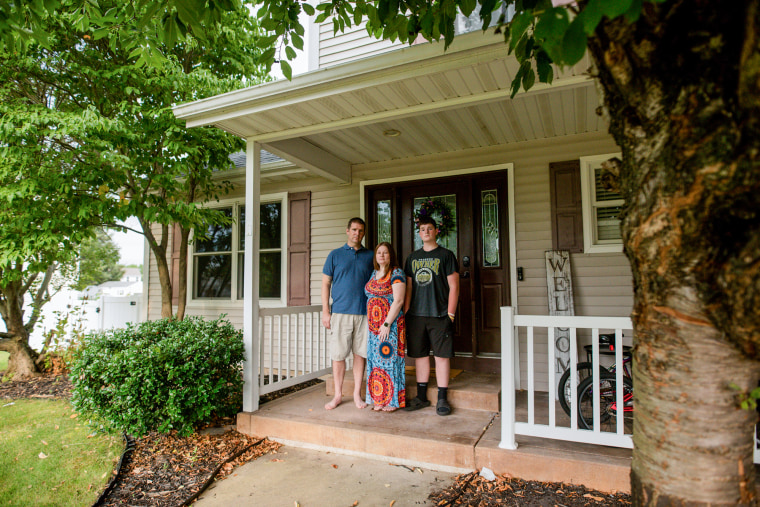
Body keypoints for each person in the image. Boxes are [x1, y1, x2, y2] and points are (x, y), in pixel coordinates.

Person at [403, 216, 460, 416]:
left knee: (442, 356)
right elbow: (408, 288)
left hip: (440, 314)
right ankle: (421, 397)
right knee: (420, 356)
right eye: (422, 229)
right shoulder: (412, 258)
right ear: (419, 233)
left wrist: (450, 315)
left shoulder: (446, 255)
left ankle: (442, 398)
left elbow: (454, 286)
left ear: (436, 231)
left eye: (429, 229)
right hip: (416, 315)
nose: (426, 232)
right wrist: (406, 312)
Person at [322, 217, 375, 410]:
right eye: (354, 230)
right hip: (340, 312)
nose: (357, 234)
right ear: (347, 231)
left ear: (364, 233)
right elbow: (326, 283)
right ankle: (337, 395)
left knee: (360, 355)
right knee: (339, 355)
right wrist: (325, 311)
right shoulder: (335, 255)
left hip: (364, 313)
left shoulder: (371, 255)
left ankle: (356, 395)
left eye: (360, 231)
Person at [364, 242, 406, 412]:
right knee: (377, 363)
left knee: (390, 362)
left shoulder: (396, 273)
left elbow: (399, 301)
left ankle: (392, 401)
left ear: (391, 255)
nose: (382, 255)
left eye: (385, 253)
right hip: (374, 329)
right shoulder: (374, 274)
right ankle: (379, 398)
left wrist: (386, 324)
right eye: (379, 253)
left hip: (391, 326)